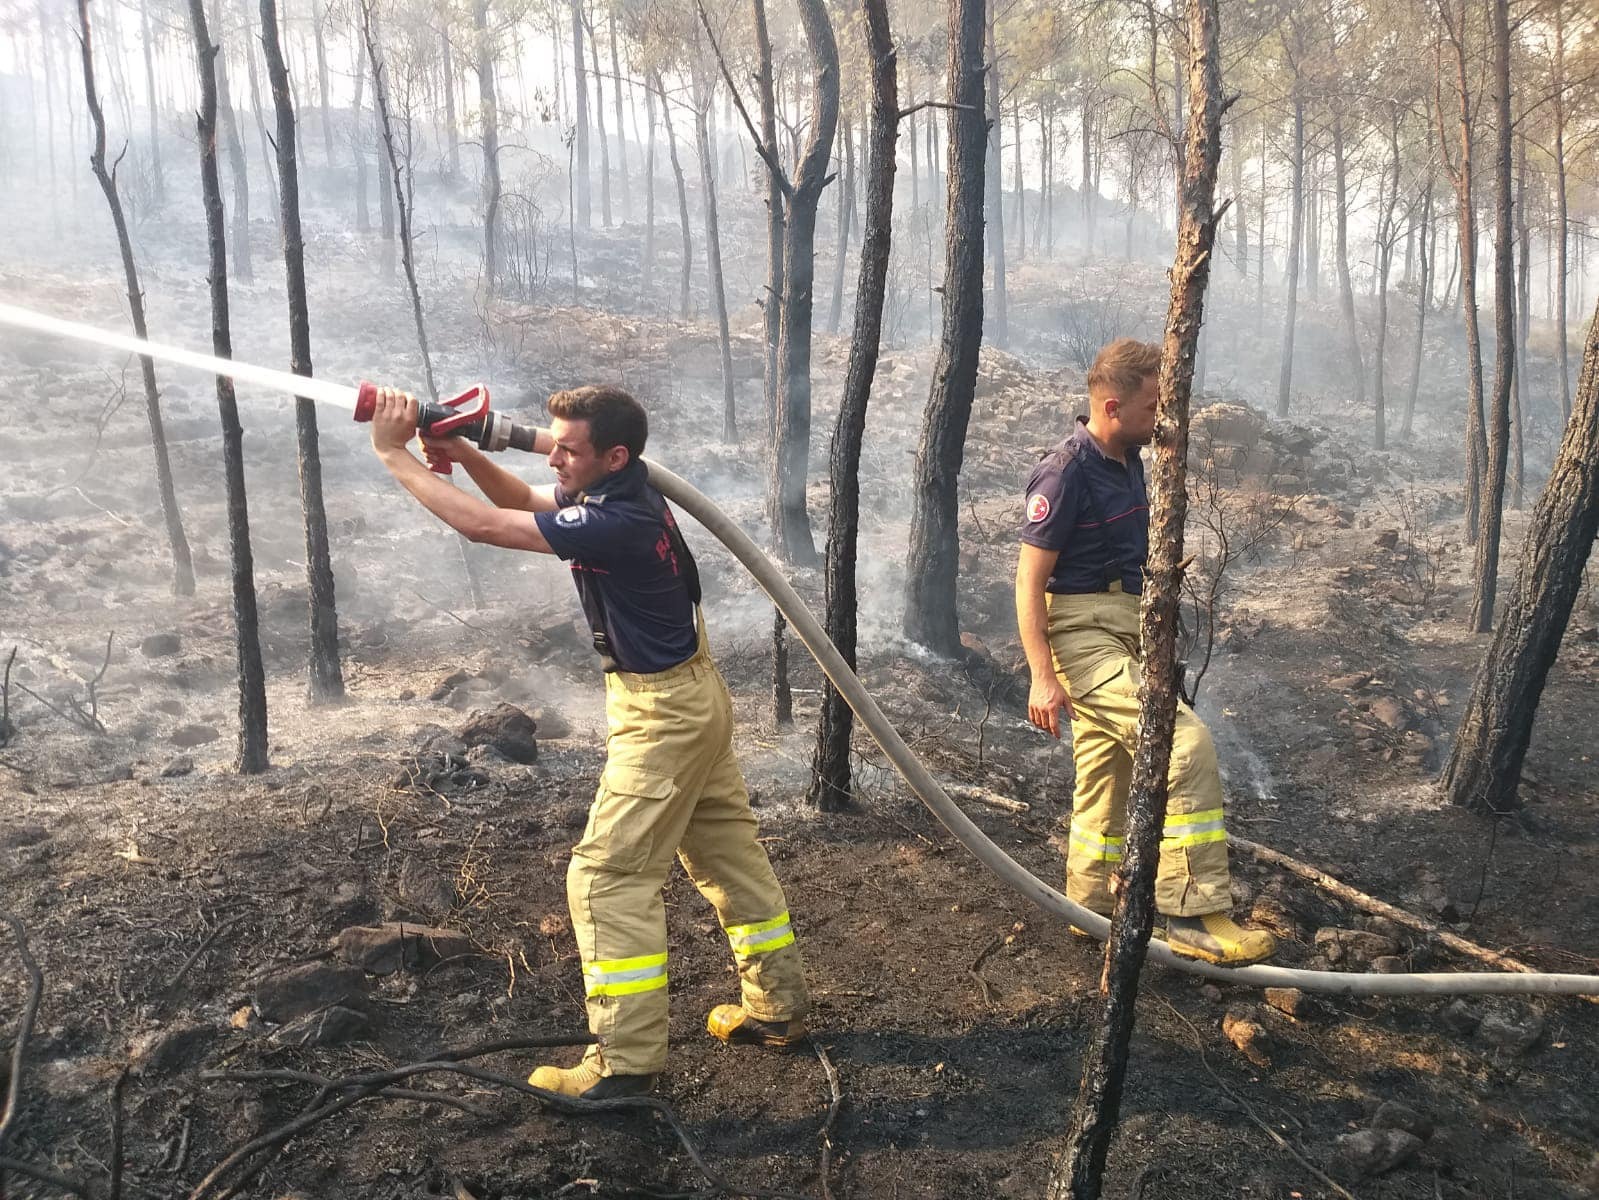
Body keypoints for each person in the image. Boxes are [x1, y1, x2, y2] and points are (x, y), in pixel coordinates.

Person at [368, 384, 809, 1097]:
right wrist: (459, 450)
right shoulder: (620, 495)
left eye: (566, 450)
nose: (554, 458)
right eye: (553, 444)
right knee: (727, 854)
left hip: (664, 716)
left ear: (614, 455)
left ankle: (625, 1068)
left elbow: (484, 526)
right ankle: (778, 1006)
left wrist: (393, 453)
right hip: (692, 697)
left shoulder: (617, 521)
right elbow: (521, 500)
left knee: (606, 880)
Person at [1013, 339, 1276, 966]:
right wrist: (1043, 679)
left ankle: (1089, 904)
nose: (1164, 417)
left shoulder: (1127, 456)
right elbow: (1027, 583)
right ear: (1111, 405)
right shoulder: (1065, 472)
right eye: (1153, 405)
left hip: (1124, 624)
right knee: (1185, 745)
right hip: (1081, 635)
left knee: (1107, 767)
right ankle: (1191, 912)